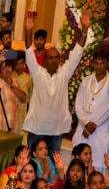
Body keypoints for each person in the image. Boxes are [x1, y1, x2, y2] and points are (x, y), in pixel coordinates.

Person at [23, 11, 91, 159]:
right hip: (37, 128)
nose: (54, 61)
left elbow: (77, 53)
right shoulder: (38, 73)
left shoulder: (64, 73)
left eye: (57, 58)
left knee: (54, 168)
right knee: (33, 165)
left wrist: (85, 29)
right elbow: (28, 52)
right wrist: (28, 30)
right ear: (45, 60)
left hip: (56, 130)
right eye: (51, 58)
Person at [71, 50, 109, 171]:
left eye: (102, 63)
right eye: (96, 63)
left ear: (108, 63)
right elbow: (78, 104)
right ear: (92, 63)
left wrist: (94, 125)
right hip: (83, 129)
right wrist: (86, 124)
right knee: (78, 164)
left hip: (101, 130)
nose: (99, 66)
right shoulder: (86, 81)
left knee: (99, 164)